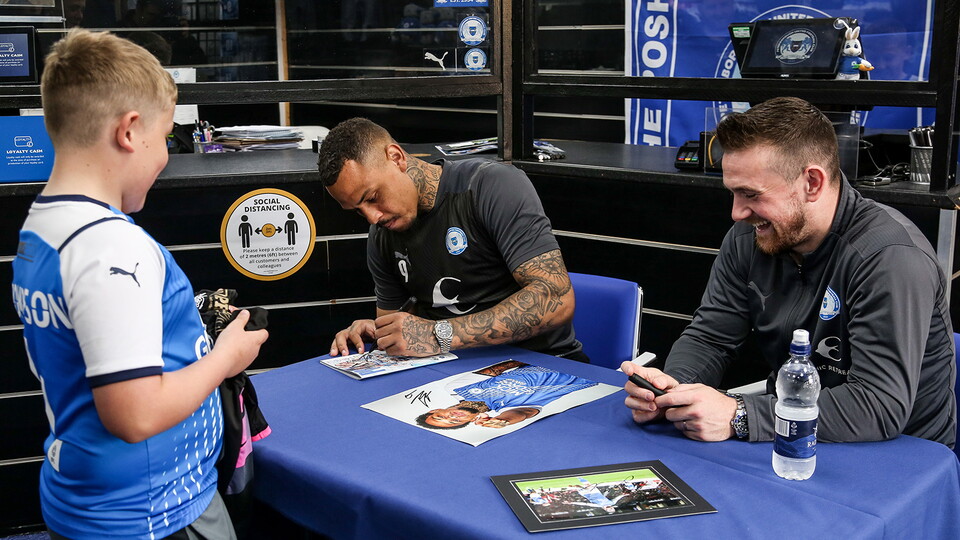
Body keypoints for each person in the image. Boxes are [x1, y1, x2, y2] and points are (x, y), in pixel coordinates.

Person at [10, 29, 268, 539]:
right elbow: (135, 414)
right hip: (154, 516)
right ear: (129, 131)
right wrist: (226, 358)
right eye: (165, 137)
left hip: (102, 502)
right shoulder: (111, 245)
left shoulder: (44, 225)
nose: (165, 157)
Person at [623, 97, 956, 448]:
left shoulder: (889, 257)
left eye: (751, 194)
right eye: (733, 193)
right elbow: (711, 337)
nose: (737, 212)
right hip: (789, 433)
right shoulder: (751, 237)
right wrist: (673, 389)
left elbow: (878, 406)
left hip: (898, 455)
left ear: (812, 183)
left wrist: (740, 415)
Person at [319, 118, 586, 361]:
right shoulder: (382, 234)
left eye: (372, 197)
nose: (372, 217)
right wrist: (377, 333)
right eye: (357, 210)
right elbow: (400, 327)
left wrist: (439, 334)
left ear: (396, 158)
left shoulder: (490, 186)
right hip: (451, 372)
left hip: (541, 363)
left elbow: (557, 299)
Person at [415, 360, 598, 429]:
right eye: (454, 422)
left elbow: (502, 367)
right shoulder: (505, 410)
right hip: (582, 375)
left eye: (441, 417)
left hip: (549, 358)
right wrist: (503, 421)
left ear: (435, 410)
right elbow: (523, 413)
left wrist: (534, 359)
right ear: (468, 422)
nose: (451, 417)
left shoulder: (456, 388)